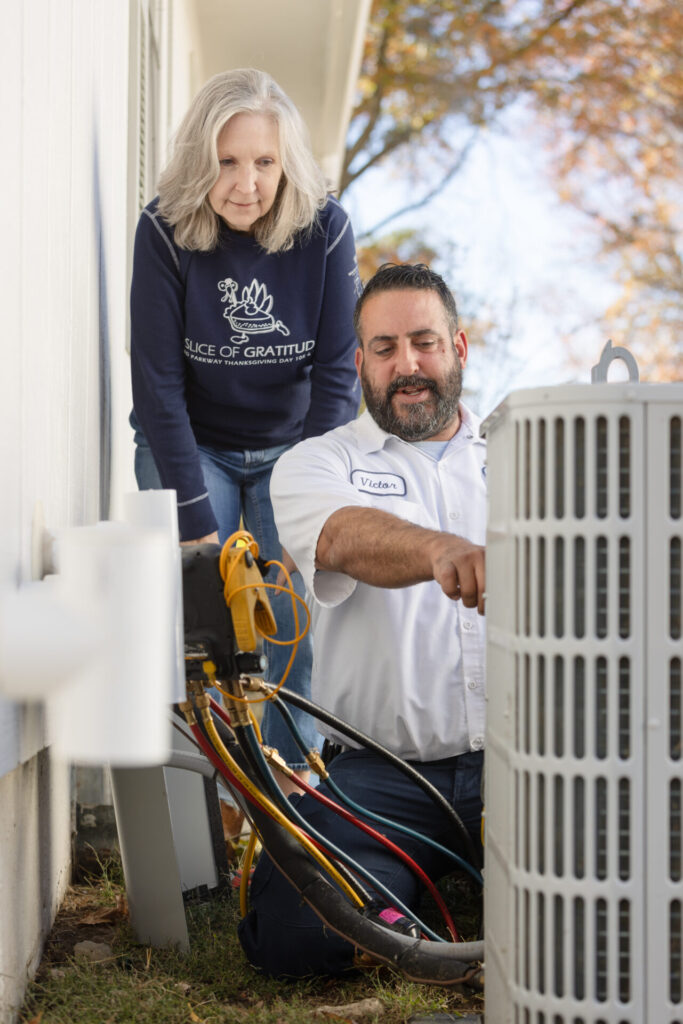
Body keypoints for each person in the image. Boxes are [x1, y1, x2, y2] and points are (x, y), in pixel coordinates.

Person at [238, 263, 487, 977]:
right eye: (383, 348)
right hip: (386, 776)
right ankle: (401, 891)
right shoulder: (315, 463)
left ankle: (442, 891)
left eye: (423, 342)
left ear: (458, 348)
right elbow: (343, 538)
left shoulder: (525, 458)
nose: (405, 365)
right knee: (294, 934)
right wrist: (440, 549)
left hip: (526, 763)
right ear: (359, 364)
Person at [129, 69, 362, 790]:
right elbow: (157, 382)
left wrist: (310, 499)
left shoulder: (326, 228)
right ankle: (218, 797)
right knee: (207, 622)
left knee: (285, 624)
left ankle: (295, 788)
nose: (246, 183)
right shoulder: (164, 229)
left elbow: (335, 376)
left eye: (264, 162)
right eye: (228, 161)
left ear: (285, 163)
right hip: (193, 446)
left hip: (293, 449)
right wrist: (196, 522)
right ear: (202, 159)